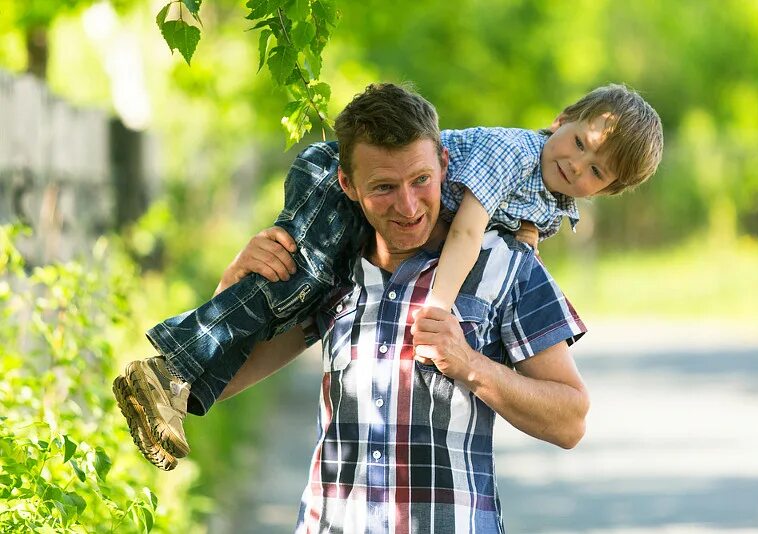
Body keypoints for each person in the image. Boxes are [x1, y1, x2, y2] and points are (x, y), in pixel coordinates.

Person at [113, 83, 662, 472]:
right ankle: (170, 375)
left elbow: (571, 421)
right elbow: (254, 359)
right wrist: (237, 285)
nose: (407, 205)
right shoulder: (347, 252)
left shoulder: (513, 260)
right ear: (350, 187)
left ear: (445, 166)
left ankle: (172, 378)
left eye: (421, 180)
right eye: (383, 187)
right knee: (293, 278)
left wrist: (470, 363)